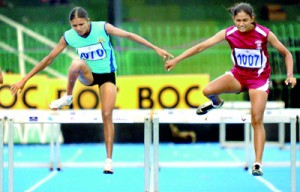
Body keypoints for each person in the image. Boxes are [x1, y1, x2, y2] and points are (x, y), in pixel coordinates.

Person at [11, 6, 173, 174]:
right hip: (88, 75)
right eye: (74, 26)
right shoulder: (69, 36)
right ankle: (68, 96)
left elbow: (129, 35)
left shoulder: (102, 28)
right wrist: (24, 79)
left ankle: (109, 160)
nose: (78, 29)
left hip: (107, 76)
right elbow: (49, 58)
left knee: (107, 114)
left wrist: (156, 48)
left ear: (88, 21)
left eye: (81, 24)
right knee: (76, 63)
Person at [164, 2, 296, 176]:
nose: (241, 24)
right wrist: (177, 60)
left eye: (245, 20)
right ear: (233, 19)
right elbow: (201, 46)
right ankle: (216, 103)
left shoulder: (264, 34)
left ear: (252, 19)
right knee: (208, 91)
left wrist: (289, 75)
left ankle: (257, 163)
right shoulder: (229, 33)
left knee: (256, 119)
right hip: (238, 76)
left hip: (258, 79)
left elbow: (286, 53)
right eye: (237, 20)